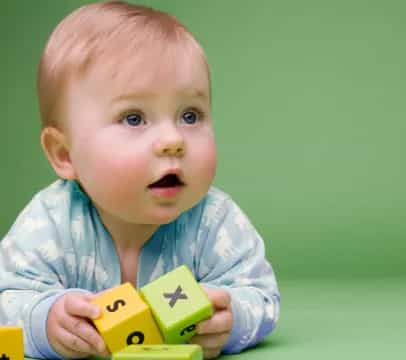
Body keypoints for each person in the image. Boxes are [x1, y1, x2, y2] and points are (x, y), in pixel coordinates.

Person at [0, 1, 280, 359]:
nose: (173, 140)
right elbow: (6, 298)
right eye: (133, 118)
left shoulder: (214, 220)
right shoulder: (50, 223)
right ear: (64, 155)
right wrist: (45, 321)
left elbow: (262, 295)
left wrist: (233, 318)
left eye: (190, 115)